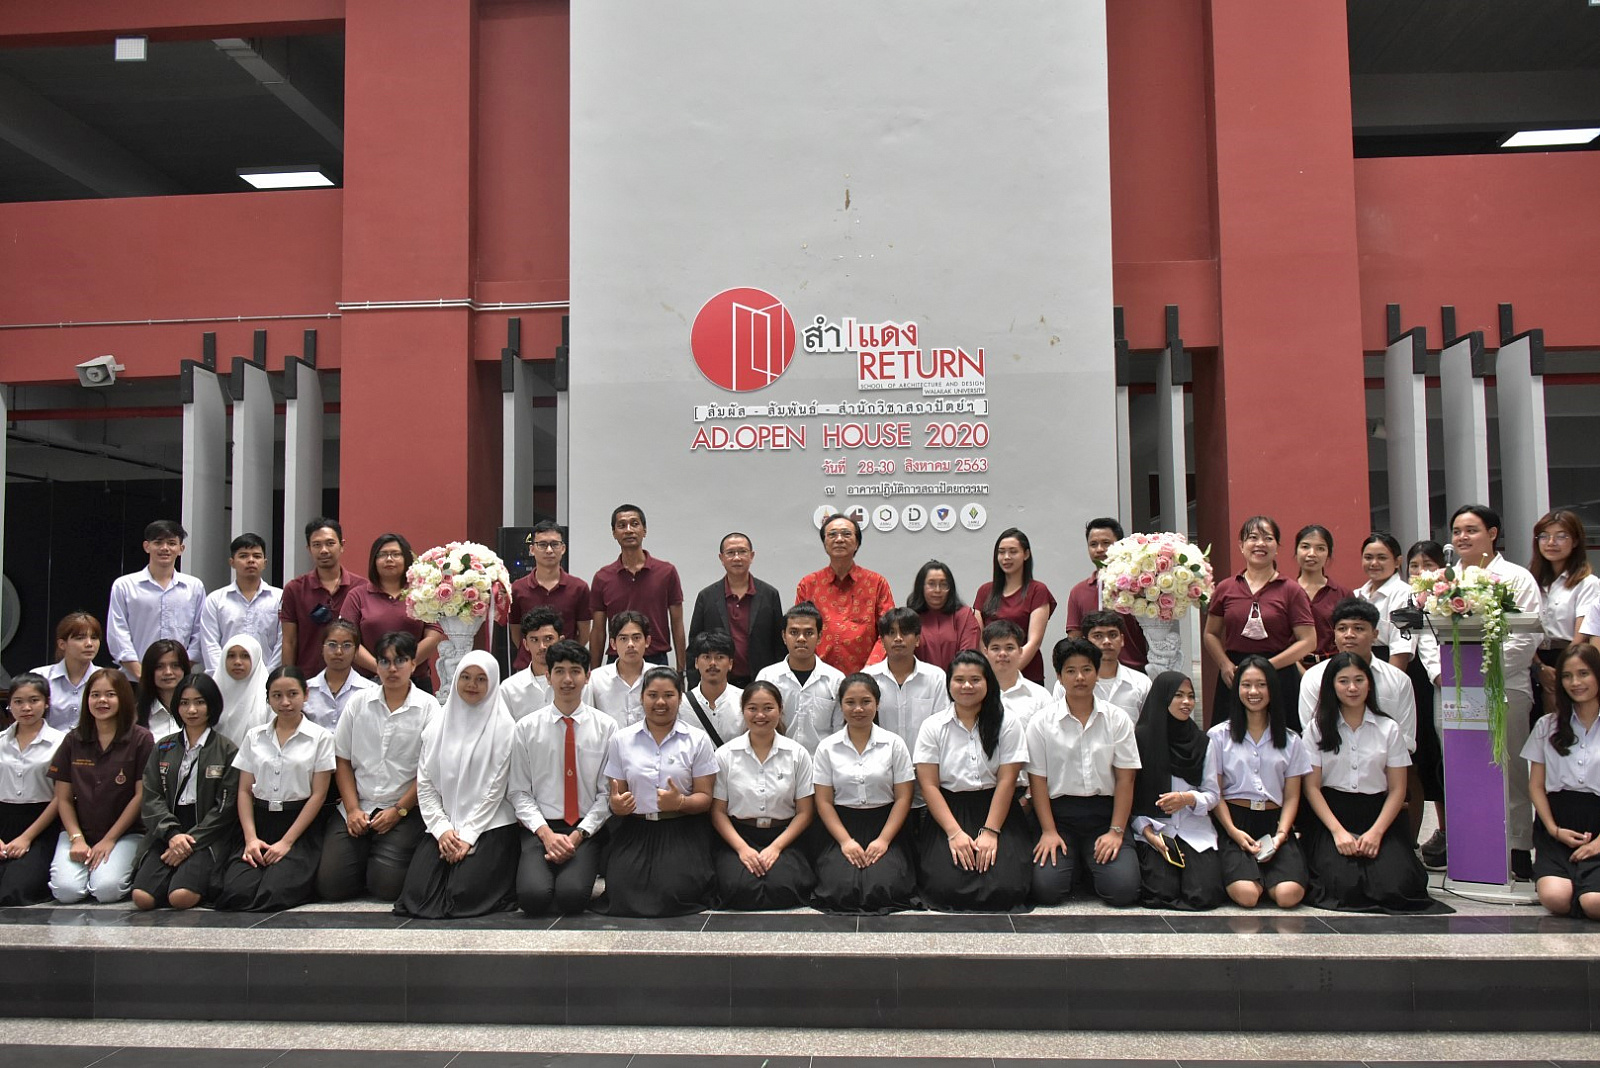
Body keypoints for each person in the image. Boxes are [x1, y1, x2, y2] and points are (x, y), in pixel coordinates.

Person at [1451, 503, 1543, 879]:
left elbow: (1526, 636)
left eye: (1470, 530)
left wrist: (1483, 673)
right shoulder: (1444, 581)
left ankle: (1518, 846)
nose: (1462, 537)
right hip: (1456, 692)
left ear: (1492, 534)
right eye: (1457, 531)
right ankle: (1469, 845)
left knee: (1510, 770)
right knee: (1463, 769)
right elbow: (1430, 637)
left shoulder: (1516, 578)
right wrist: (1443, 674)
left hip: (1506, 687)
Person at [1300, 652, 1432, 912]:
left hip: (1377, 814)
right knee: (1341, 885)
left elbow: (1398, 789)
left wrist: (1376, 833)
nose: (1352, 688)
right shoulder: (1317, 728)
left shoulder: (1388, 728)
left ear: (1369, 684)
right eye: (1343, 681)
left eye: (1359, 680)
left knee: (1397, 885)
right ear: (1331, 686)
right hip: (1332, 815)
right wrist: (1338, 832)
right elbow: (1311, 787)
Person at [395, 653, 519, 918]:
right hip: (446, 822)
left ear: (492, 683)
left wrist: (468, 835)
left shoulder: (505, 729)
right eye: (465, 677)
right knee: (419, 895)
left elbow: (494, 791)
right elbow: (426, 785)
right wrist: (442, 829)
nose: (472, 684)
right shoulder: (437, 726)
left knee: (462, 894)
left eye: (481, 679)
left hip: (489, 824)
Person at [317, 632, 438, 903]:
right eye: (385, 661)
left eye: (400, 661)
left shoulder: (428, 708)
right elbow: (342, 759)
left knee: (387, 887)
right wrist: (352, 810)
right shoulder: (359, 703)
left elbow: (429, 772)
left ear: (413, 664)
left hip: (404, 809)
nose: (392, 669)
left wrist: (398, 810)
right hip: (359, 804)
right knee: (331, 886)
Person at [596, 667, 719, 917]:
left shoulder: (697, 740)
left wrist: (680, 802)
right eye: (652, 695)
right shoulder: (622, 740)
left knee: (673, 891)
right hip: (635, 829)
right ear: (642, 698)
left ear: (680, 698)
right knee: (621, 890)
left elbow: (705, 799)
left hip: (682, 829)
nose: (660, 702)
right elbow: (616, 795)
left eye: (668, 695)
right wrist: (617, 805)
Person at [914, 650, 1030, 911]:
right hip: (949, 811)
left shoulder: (1007, 722)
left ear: (988, 682)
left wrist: (990, 832)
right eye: (959, 680)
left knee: (1007, 886)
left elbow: (1007, 781)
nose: (967, 686)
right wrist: (954, 833)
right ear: (949, 684)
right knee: (945, 887)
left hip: (997, 809)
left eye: (975, 679)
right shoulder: (933, 726)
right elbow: (929, 785)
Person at [1028, 638, 1141, 907]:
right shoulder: (1041, 723)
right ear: (1059, 676)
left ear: (1097, 672)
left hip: (1105, 816)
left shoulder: (1117, 719)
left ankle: (1090, 866)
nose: (1080, 677)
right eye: (1071, 671)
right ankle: (1077, 865)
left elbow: (1126, 779)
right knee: (1046, 891)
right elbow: (1038, 781)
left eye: (1087, 669)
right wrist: (1048, 831)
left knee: (1123, 891)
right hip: (1059, 816)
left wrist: (1116, 831)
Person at [508, 640, 616, 916]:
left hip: (585, 829)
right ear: (548, 676)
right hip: (540, 828)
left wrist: (579, 835)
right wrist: (545, 834)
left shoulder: (606, 728)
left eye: (575, 671)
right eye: (559, 671)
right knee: (532, 898)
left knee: (572, 897)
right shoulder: (526, 728)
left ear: (587, 676)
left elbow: (606, 794)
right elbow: (519, 791)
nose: (568, 679)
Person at [1298, 598, 1420, 839]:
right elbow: (1311, 736)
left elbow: (1406, 739)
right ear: (1334, 635)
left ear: (1375, 634)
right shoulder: (1314, 678)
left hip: (1383, 788)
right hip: (1330, 789)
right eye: (1342, 628)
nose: (1349, 635)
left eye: (1359, 628)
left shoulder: (1398, 680)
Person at [215, 666, 334, 911]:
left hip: (299, 825)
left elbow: (319, 795)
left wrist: (286, 842)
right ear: (268, 698)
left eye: (292, 694)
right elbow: (244, 791)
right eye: (277, 696)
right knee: (236, 893)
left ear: (306, 694)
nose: (285, 702)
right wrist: (250, 839)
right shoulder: (254, 736)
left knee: (274, 893)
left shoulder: (321, 737)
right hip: (259, 822)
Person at [1203, 655, 1310, 908]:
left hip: (1274, 823)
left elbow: (1292, 796)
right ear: (1237, 688)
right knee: (1247, 895)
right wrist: (1232, 831)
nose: (1254, 692)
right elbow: (1215, 792)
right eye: (1246, 685)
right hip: (1234, 821)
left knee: (1289, 895)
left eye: (1262, 685)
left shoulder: (1291, 740)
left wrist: (1282, 834)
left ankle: (1271, 876)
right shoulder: (1218, 736)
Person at [810, 673, 918, 913]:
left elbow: (903, 797)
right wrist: (845, 842)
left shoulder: (894, 744)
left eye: (866, 702)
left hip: (886, 824)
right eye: (850, 702)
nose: (858, 709)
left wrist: (884, 840)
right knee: (839, 888)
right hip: (842, 825)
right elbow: (824, 802)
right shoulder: (827, 747)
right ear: (841, 706)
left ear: (877, 704)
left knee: (885, 886)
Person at [130, 673, 239, 910]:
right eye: (184, 702)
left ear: (212, 705)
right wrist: (172, 835)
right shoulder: (164, 746)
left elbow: (225, 808)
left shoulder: (226, 750)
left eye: (199, 702)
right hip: (169, 830)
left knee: (180, 898)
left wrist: (190, 842)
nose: (191, 710)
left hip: (206, 833)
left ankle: (184, 879)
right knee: (141, 898)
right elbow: (151, 796)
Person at [47, 669, 154, 903]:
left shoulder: (141, 739)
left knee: (107, 890)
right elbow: (63, 798)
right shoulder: (73, 740)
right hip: (80, 831)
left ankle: (103, 872)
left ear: (123, 698)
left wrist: (109, 839)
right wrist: (76, 838)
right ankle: (86, 872)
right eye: (95, 695)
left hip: (125, 833)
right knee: (66, 892)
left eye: (110, 695)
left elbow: (140, 796)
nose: (101, 701)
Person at [710, 681, 818, 909]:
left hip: (784, 836)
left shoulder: (797, 754)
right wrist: (742, 849)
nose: (760, 715)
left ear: (780, 710)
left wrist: (776, 847)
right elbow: (718, 812)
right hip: (740, 835)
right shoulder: (725, 754)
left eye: (768, 708)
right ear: (743, 711)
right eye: (752, 708)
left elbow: (805, 812)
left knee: (784, 887)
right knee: (737, 888)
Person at [1203, 515, 1316, 729]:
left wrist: (1268, 667)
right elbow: (1211, 634)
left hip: (1279, 672)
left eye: (1268, 538)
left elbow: (1308, 641)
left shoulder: (1291, 590)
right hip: (1235, 673)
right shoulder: (1226, 588)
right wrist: (1224, 664)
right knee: (1231, 736)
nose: (1260, 544)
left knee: (1282, 736)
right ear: (1241, 546)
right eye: (1253, 538)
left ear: (1277, 547)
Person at [1132, 672, 1223, 910]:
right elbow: (1130, 798)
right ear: (1163, 698)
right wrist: (1149, 834)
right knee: (1159, 894)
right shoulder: (1140, 740)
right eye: (1178, 695)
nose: (1187, 702)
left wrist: (1188, 798)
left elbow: (1213, 794)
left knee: (1203, 895)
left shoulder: (1203, 743)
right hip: (1156, 831)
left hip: (1193, 829)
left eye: (1191, 696)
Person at [1524, 643, 1600, 919]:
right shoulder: (1547, 725)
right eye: (1567, 676)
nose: (1575, 682)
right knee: (1555, 897)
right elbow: (1536, 786)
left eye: (1583, 674)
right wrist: (1553, 830)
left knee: (1594, 903)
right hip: (1558, 822)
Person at [797, 513, 897, 676]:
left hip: (868, 676)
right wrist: (814, 670)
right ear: (824, 543)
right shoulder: (808, 585)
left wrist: (870, 670)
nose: (839, 539)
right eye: (832, 534)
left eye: (846, 534)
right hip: (819, 676)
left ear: (857, 543)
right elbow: (799, 630)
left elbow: (889, 631)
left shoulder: (877, 583)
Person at [589, 504, 686, 671]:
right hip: (616, 659)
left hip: (656, 659)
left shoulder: (666, 572)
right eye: (622, 525)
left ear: (644, 530)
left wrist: (681, 670)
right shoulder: (602, 577)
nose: (628, 530)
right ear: (614, 533)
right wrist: (594, 673)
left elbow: (677, 623)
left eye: (634, 524)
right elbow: (598, 631)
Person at [106, 519, 206, 680]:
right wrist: (141, 674)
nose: (165, 548)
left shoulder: (194, 587)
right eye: (158, 542)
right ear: (147, 546)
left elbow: (199, 633)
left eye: (171, 543)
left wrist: (179, 669)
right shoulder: (125, 585)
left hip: (178, 679)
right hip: (134, 679)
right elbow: (118, 633)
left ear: (181, 549)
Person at [344, 533, 445, 692]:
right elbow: (348, 640)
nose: (389, 559)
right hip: (368, 682)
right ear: (374, 561)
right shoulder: (357, 596)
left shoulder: (421, 593)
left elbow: (434, 636)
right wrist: (382, 668)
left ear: (406, 559)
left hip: (416, 682)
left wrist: (404, 666)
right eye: (382, 555)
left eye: (396, 554)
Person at [687, 531, 784, 687]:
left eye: (742, 552)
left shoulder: (769, 595)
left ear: (752, 556)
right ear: (721, 558)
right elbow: (694, 646)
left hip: (760, 682)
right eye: (730, 553)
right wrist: (693, 688)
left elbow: (779, 644)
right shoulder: (707, 597)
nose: (737, 558)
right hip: (719, 683)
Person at [0, 674, 65, 905]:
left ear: (47, 703)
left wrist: (26, 838)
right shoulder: (1, 741)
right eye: (18, 701)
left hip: (42, 822)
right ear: (10, 705)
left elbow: (61, 797)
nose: (26, 708)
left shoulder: (61, 742)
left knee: (14, 891)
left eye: (34, 700)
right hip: (3, 819)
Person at [279, 517, 369, 677]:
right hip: (308, 678)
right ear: (308, 549)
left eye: (330, 543)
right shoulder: (294, 589)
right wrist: (289, 679)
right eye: (316, 545)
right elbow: (289, 641)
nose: (324, 550)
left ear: (342, 545)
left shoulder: (361, 587)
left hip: (354, 680)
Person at [1407, 539, 1450, 867]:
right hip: (1421, 681)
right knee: (1424, 760)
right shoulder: (1408, 597)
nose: (1421, 572)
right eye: (1415, 566)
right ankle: (1439, 833)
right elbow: (1418, 640)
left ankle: (1453, 830)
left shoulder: (1453, 593)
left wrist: (1441, 676)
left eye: (1429, 565)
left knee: (1443, 757)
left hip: (1442, 683)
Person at [754, 602, 844, 752]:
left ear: (819, 637)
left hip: (820, 762)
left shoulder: (836, 680)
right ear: (784, 636)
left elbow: (839, 732)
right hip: (777, 759)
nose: (801, 638)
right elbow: (759, 726)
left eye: (809, 633)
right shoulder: (767, 677)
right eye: (794, 632)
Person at [1535, 510, 1600, 718]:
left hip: (1569, 658)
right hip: (1534, 661)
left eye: (1561, 536)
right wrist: (1539, 667)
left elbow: (1582, 633)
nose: (1551, 542)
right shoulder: (1531, 581)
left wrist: (1562, 670)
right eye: (1544, 536)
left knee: (1565, 722)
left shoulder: (1587, 583)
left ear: (1575, 541)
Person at [863, 608, 953, 753]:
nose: (898, 638)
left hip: (925, 761)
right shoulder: (868, 678)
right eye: (891, 633)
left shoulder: (936, 677)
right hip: (879, 762)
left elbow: (942, 727)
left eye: (904, 632)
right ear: (882, 641)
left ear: (917, 639)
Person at [1064, 518, 1146, 674]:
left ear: (1120, 546)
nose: (1099, 549)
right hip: (1092, 676)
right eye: (1093, 544)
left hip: (1134, 672)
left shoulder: (1139, 586)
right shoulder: (1078, 592)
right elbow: (1075, 639)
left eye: (1106, 543)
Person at [976, 527, 1057, 684]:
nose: (1006, 557)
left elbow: (1034, 642)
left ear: (1026, 554)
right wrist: (993, 673)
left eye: (1013, 552)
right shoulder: (984, 591)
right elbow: (978, 639)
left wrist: (1008, 673)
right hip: (991, 676)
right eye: (1001, 552)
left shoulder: (1038, 590)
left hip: (1028, 675)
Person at [508, 520, 592, 672]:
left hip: (565, 669)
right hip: (527, 668)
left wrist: (566, 654)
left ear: (563, 548)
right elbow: (516, 634)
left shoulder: (579, 588)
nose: (549, 550)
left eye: (554, 544)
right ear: (532, 549)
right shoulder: (517, 589)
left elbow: (584, 634)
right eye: (542, 545)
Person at [868, 560, 980, 673]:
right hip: (916, 680)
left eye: (943, 585)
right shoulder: (908, 618)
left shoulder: (964, 616)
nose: (937, 590)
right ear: (921, 587)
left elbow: (968, 658)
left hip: (957, 680)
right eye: (931, 584)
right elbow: (901, 656)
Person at [198, 532, 283, 674]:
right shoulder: (216, 600)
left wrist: (268, 677)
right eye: (243, 556)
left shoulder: (280, 598)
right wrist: (222, 676)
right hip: (225, 679)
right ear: (232, 562)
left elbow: (282, 642)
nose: (251, 560)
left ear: (265, 563)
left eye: (257, 556)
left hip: (268, 678)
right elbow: (210, 644)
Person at [1355, 532, 1416, 670]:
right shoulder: (1356, 595)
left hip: (1391, 668)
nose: (1374, 563)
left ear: (1397, 562)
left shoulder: (1407, 595)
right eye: (1368, 557)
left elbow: (1401, 651)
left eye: (1382, 558)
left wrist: (1388, 682)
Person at [1077, 610, 1152, 721]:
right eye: (1098, 636)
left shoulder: (1141, 682)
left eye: (1112, 635)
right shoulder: (1069, 683)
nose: (1107, 641)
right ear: (1086, 642)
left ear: (1122, 640)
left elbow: (1148, 726)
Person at [583, 611, 651, 729]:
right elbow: (587, 720)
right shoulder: (596, 679)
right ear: (613, 644)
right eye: (623, 639)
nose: (630, 644)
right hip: (608, 741)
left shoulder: (660, 677)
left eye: (636, 638)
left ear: (647, 641)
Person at [303, 619, 375, 730]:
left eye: (346, 645)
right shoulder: (306, 690)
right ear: (322, 649)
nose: (338, 652)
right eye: (332, 645)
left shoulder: (371, 691)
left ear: (356, 651)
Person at [35, 612, 103, 731]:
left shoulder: (107, 678)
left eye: (94, 638)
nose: (89, 644)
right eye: (80, 638)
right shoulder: (40, 677)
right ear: (62, 644)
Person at [1293, 524, 1351, 663]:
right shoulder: (1284, 592)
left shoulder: (1343, 594)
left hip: (1333, 666)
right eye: (1305, 547)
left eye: (1320, 548)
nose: (1312, 554)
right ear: (1296, 551)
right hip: (1292, 667)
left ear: (1328, 554)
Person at [683, 630, 744, 745]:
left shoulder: (744, 700)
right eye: (706, 657)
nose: (712, 663)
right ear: (696, 662)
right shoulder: (682, 704)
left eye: (720, 657)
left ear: (730, 663)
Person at [501, 607, 561, 721]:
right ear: (525, 644)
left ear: (560, 640)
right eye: (534, 640)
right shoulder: (509, 688)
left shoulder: (574, 684)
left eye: (548, 639)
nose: (542, 646)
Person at [212, 634, 272, 746]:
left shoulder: (269, 698)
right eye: (231, 656)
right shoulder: (211, 694)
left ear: (255, 658)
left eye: (245, 656)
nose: (237, 662)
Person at [134, 639, 188, 740]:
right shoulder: (135, 715)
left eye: (175, 665)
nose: (168, 672)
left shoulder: (198, 709)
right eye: (159, 666)